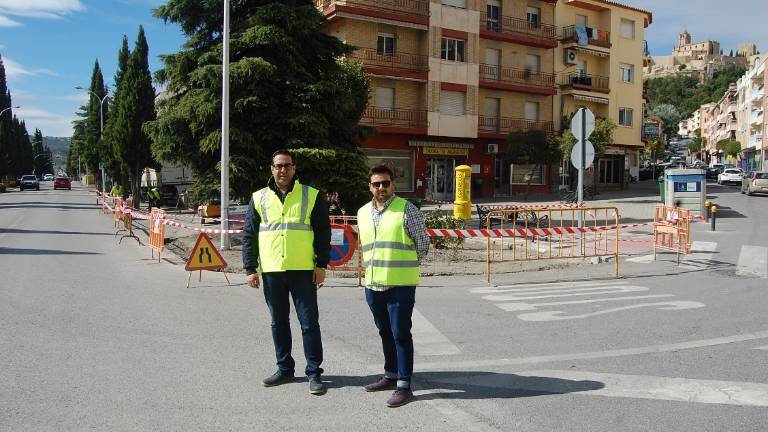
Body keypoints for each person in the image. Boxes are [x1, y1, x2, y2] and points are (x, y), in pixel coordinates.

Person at [242, 149, 331, 395]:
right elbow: (249, 234)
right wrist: (250, 268)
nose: (282, 170)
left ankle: (314, 373)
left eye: (287, 166)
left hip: (303, 270)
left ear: (294, 168)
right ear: (271, 169)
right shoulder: (258, 197)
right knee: (278, 322)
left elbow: (323, 233)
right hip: (272, 271)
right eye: (278, 166)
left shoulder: (311, 195)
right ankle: (285, 369)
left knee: (309, 323)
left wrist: (321, 265)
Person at [357, 165, 430, 408]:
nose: (381, 188)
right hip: (373, 285)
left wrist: (405, 267)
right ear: (370, 187)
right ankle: (390, 375)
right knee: (384, 332)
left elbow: (422, 245)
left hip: (400, 284)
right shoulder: (362, 212)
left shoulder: (407, 210)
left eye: (385, 183)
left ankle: (404, 385)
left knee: (400, 334)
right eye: (376, 184)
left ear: (393, 185)